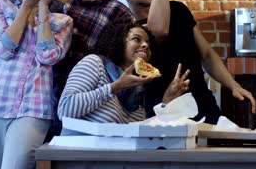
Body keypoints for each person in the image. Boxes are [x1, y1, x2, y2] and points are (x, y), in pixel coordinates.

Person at [112, 0, 256, 124]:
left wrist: (233, 85)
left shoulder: (179, 11)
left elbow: (206, 54)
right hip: (162, 116)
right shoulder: (130, 32)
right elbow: (159, 29)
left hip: (203, 107)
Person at [0, 0, 73, 169]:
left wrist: (43, 8)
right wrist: (26, 7)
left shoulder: (62, 20)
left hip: (33, 108)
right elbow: (3, 50)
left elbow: (48, 56)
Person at [47, 0, 134, 137]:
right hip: (44, 101)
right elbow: (37, 39)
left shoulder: (119, 12)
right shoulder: (49, 0)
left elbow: (123, 65)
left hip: (93, 108)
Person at [57, 21, 189, 134]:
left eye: (148, 43)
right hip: (77, 157)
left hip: (112, 160)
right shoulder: (94, 63)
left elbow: (140, 133)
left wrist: (166, 103)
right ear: (118, 41)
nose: (145, 45)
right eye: (137, 39)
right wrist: (115, 87)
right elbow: (64, 110)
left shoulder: (137, 87)